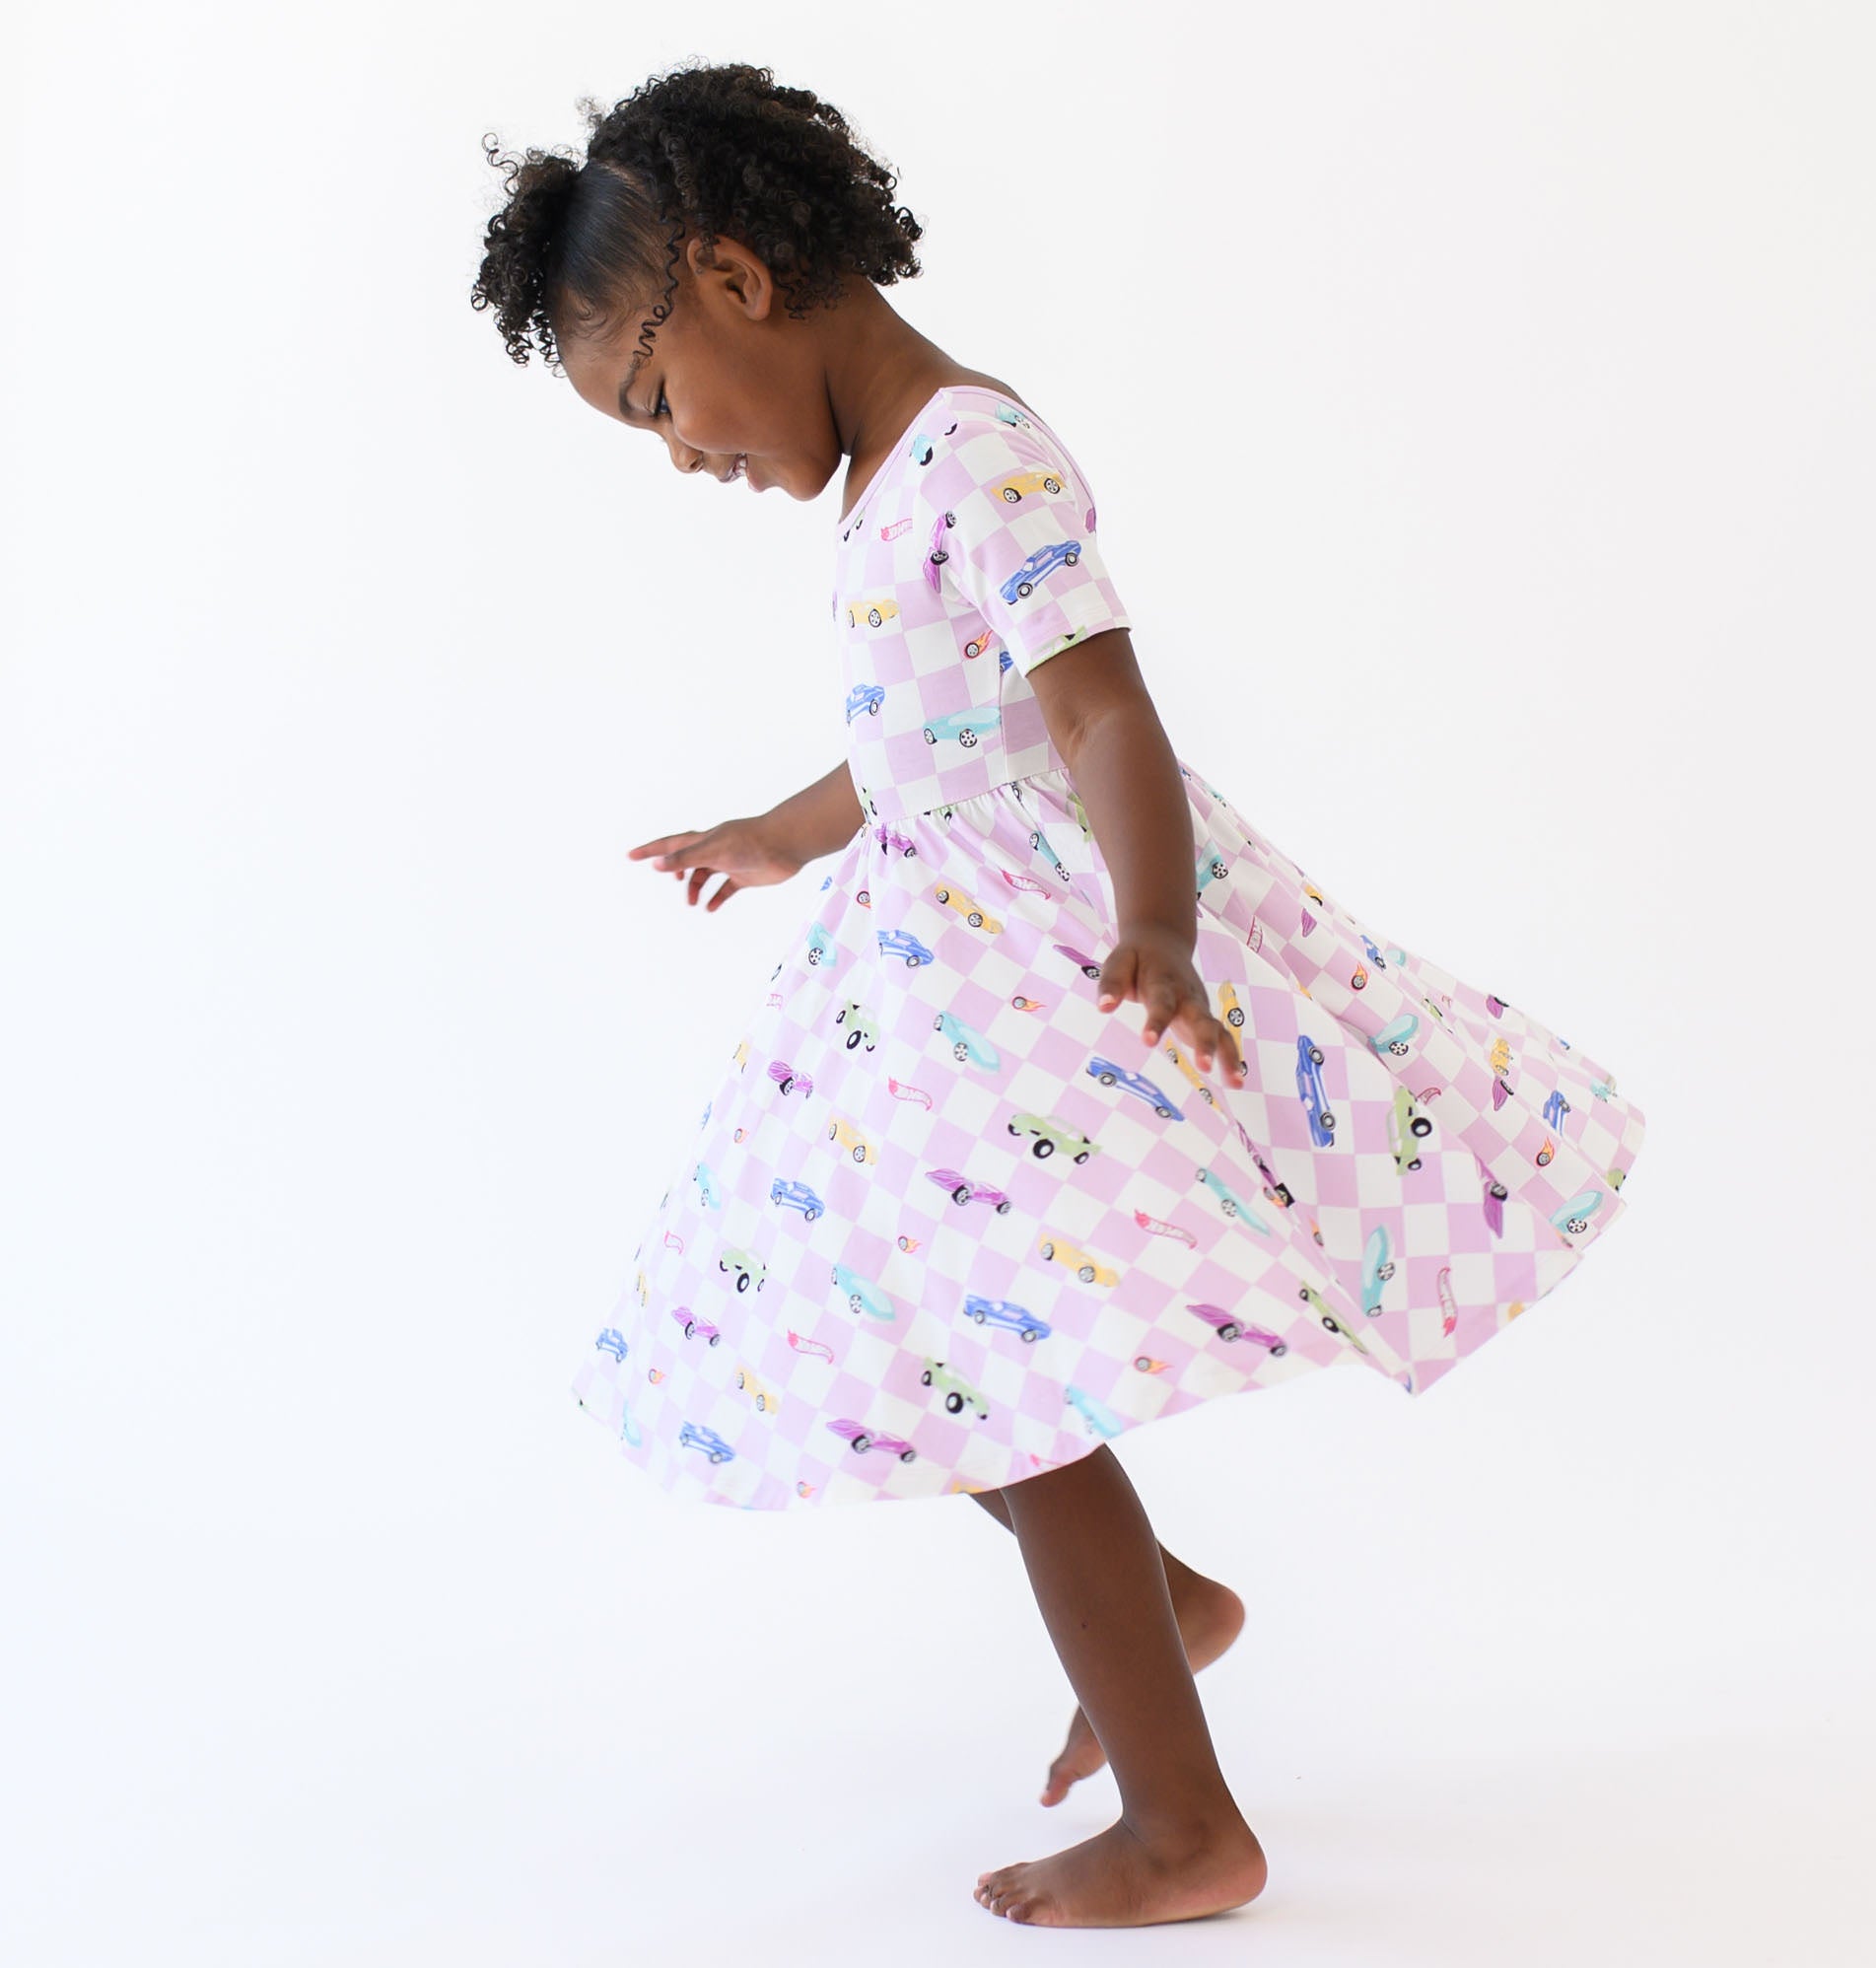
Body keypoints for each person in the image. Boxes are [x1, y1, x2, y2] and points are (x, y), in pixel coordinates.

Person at [472, 58, 1646, 1930]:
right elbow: (944, 736)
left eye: (656, 399)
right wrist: (787, 831)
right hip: (921, 962)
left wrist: (1159, 929)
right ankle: (1161, 1607)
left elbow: (1098, 709)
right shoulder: (884, 482)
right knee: (883, 1327)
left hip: (1035, 966)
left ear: (732, 282)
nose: (683, 453)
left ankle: (1188, 1828)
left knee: (1001, 1384)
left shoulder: (976, 450)